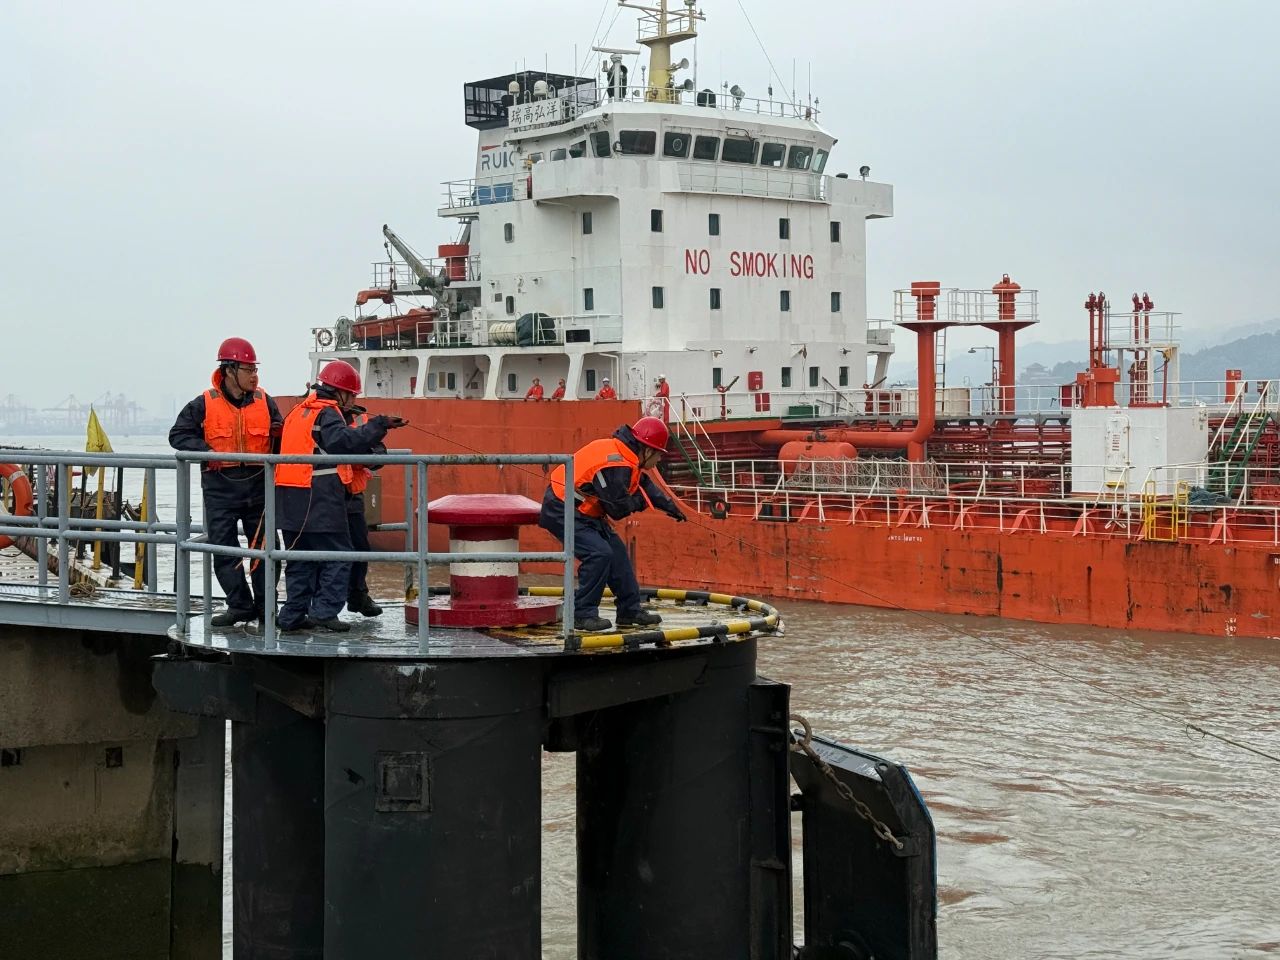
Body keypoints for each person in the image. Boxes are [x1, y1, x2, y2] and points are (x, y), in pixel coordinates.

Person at [275, 360, 406, 632]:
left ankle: (291, 616)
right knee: (340, 554)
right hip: (320, 498)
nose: (354, 400)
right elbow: (342, 442)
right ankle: (324, 612)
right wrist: (380, 424)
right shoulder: (328, 412)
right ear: (340, 392)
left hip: (290, 499)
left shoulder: (298, 412)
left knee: (300, 559)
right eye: (352, 395)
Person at [169, 337, 283, 627]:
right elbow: (178, 435)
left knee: (267, 550)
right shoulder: (204, 404)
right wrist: (206, 451)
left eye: (255, 369)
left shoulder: (265, 402)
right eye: (248, 370)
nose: (254, 376)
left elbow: (281, 439)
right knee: (223, 549)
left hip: (259, 487)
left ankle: (267, 608)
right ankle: (240, 606)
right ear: (229, 370)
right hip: (220, 488)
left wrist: (280, 434)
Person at [538, 416, 686, 632]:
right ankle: (582, 614)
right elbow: (617, 509)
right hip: (561, 508)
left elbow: (644, 484)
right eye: (659, 455)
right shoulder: (616, 465)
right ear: (647, 451)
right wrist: (642, 502)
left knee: (617, 553)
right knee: (599, 554)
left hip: (584, 511)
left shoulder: (626, 456)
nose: (659, 460)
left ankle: (629, 611)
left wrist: (670, 507)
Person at [338, 404, 385, 617]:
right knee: (328, 550)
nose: (352, 398)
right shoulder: (323, 415)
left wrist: (369, 456)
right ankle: (324, 607)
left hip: (353, 492)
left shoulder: (359, 417)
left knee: (360, 547)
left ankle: (358, 596)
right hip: (326, 492)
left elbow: (378, 449)